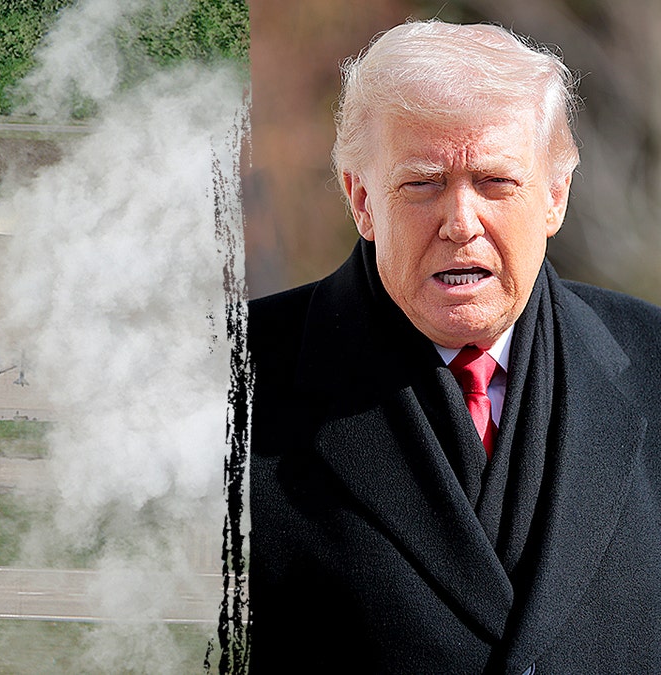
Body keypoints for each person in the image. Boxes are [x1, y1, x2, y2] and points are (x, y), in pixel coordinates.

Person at [249, 20, 661, 672]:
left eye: (495, 182)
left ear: (555, 196)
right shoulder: (233, 384)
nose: (460, 223)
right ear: (361, 198)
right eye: (423, 183)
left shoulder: (654, 360)